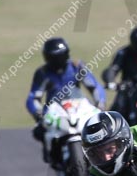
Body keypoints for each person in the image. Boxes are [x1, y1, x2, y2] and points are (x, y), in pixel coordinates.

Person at [26, 37, 106, 167]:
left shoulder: (77, 66)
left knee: (101, 125)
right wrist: (38, 113)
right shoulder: (43, 73)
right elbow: (33, 97)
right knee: (39, 131)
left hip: (78, 106)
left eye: (60, 56)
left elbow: (95, 87)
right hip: (54, 111)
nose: (58, 61)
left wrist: (100, 103)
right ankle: (53, 158)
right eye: (54, 57)